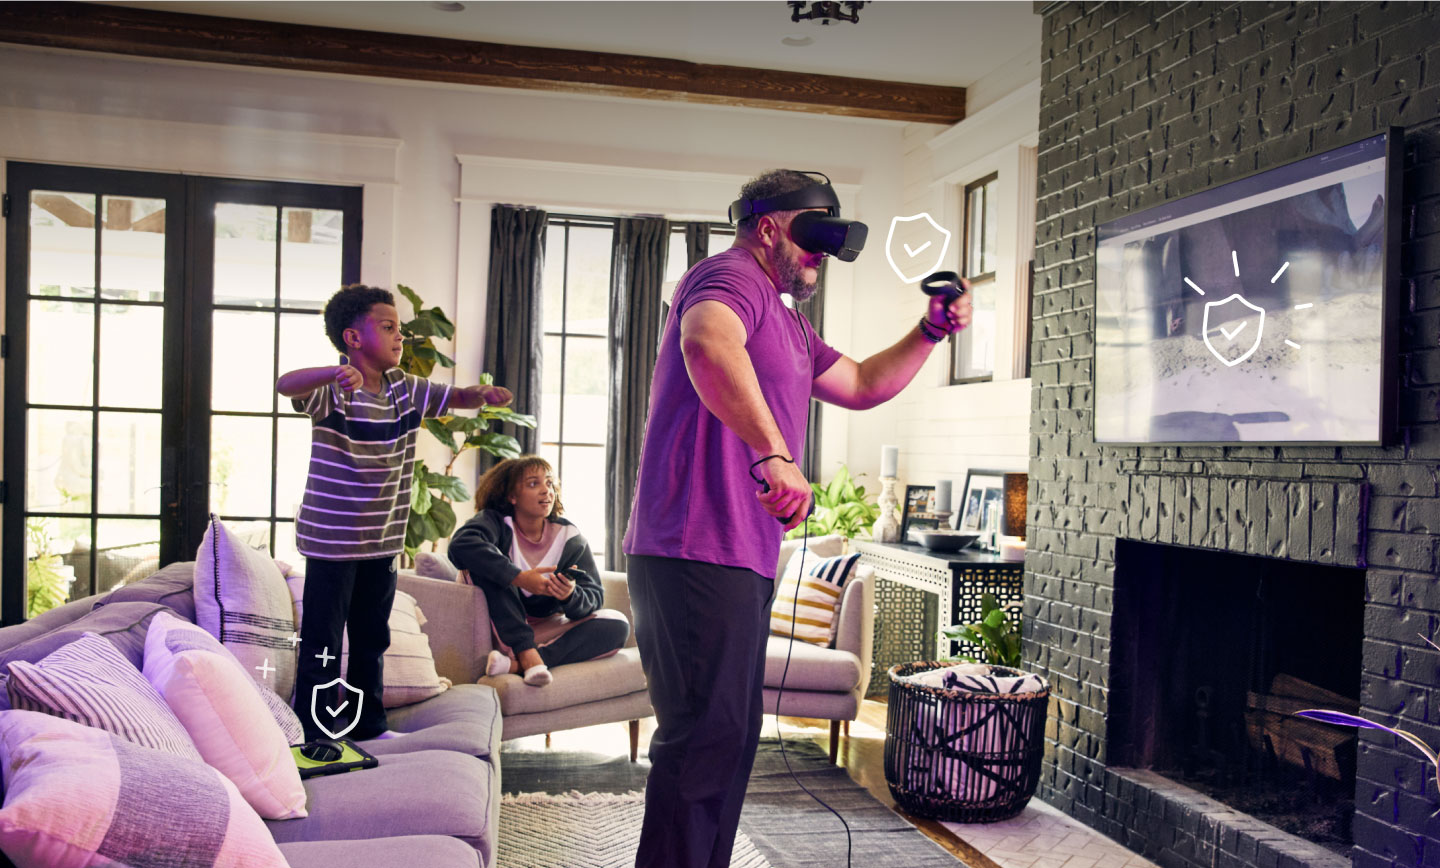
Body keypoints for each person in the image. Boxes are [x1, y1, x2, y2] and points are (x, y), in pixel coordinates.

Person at [622, 169, 972, 868]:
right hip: (693, 543)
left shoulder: (788, 321)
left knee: (728, 735)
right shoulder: (729, 278)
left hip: (740, 554)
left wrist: (929, 331)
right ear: (770, 225)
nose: (821, 259)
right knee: (703, 739)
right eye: (815, 239)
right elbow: (706, 344)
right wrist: (773, 453)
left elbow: (866, 384)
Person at [278, 284, 513, 741]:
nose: (400, 336)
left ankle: (369, 726)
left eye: (399, 328)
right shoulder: (332, 391)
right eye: (388, 327)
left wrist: (481, 394)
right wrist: (332, 373)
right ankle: (315, 732)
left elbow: (458, 398)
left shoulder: (406, 389)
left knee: (371, 638)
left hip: (382, 541)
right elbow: (285, 384)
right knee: (324, 643)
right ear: (353, 338)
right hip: (332, 544)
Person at [447, 455, 630, 687]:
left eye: (550, 483)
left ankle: (520, 664)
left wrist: (569, 595)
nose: (547, 491)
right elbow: (461, 545)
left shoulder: (570, 537)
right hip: (494, 628)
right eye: (534, 484)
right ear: (512, 496)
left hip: (543, 629)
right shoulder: (493, 522)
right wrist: (519, 578)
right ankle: (526, 655)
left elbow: (594, 596)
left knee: (617, 624)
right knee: (486, 562)